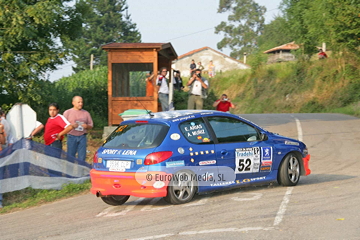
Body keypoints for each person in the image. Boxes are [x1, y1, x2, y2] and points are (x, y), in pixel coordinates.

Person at [63, 96, 93, 161]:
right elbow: (63, 126)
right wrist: (72, 126)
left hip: (82, 137)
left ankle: (81, 171)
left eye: (81, 102)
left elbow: (91, 126)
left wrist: (86, 126)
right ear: (73, 103)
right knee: (70, 157)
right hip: (71, 137)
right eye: (78, 102)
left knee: (82, 157)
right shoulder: (67, 113)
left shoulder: (86, 113)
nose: (81, 104)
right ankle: (69, 171)